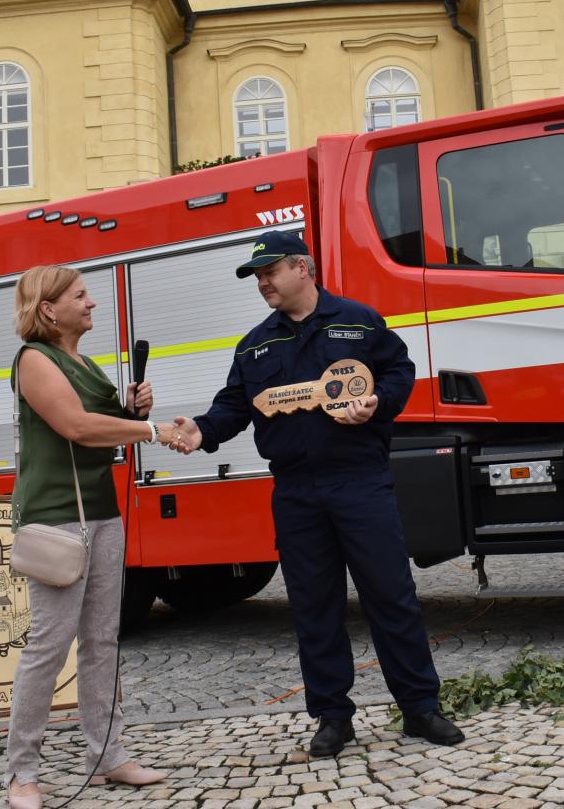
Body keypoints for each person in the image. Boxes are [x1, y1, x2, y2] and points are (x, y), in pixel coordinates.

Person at [168, 231, 464, 756]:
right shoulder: (256, 343)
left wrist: (378, 401)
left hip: (360, 481)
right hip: (297, 491)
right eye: (257, 276)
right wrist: (202, 431)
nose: (262, 283)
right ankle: (332, 717)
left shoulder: (358, 320)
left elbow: (399, 371)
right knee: (313, 606)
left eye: (270, 272)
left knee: (391, 596)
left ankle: (420, 709)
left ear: (303, 268)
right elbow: (235, 405)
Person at [5, 265, 173, 809]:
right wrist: (150, 428)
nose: (92, 303)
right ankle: (22, 774)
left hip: (102, 513)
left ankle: (107, 758)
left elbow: (102, 432)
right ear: (49, 308)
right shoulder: (35, 360)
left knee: (102, 641)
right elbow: (75, 427)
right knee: (49, 647)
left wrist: (130, 410)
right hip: (56, 518)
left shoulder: (82, 361)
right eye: (80, 295)